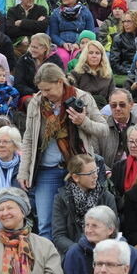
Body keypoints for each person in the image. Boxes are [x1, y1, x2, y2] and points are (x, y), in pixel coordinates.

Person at [18, 62, 106, 239]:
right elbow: (28, 138)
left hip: (78, 171)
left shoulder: (83, 98)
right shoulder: (36, 103)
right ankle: (48, 265)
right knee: (44, 224)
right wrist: (23, 171)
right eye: (41, 90)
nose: (44, 94)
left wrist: (84, 122)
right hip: (46, 170)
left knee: (80, 222)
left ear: (60, 82)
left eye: (48, 89)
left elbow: (104, 130)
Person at [50, 153, 117, 256]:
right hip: (75, 253)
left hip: (102, 252)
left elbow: (113, 230)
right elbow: (59, 236)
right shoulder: (61, 199)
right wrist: (79, 250)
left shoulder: (107, 197)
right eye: (90, 173)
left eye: (96, 171)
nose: (95, 176)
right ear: (76, 177)